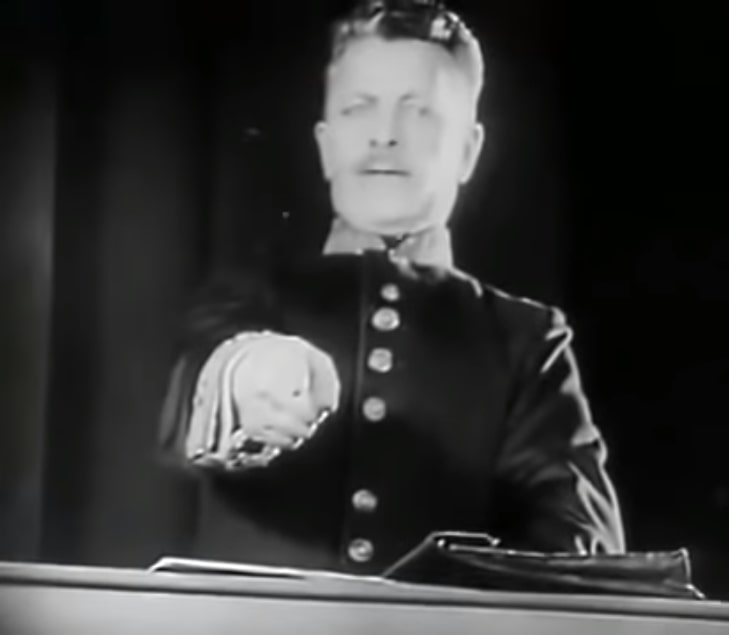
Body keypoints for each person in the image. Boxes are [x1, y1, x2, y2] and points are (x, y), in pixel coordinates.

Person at [158, 0, 625, 574]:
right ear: (326, 146)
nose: (384, 136)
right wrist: (243, 375)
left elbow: (579, 546)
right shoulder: (249, 294)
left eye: (419, 111)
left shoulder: (527, 339)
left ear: (468, 151)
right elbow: (185, 397)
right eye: (358, 109)